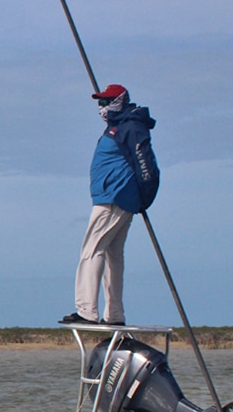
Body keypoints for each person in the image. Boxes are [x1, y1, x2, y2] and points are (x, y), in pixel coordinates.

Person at [60, 84, 160, 327]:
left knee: (91, 250)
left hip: (114, 198)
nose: (102, 107)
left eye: (106, 102)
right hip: (112, 197)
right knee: (114, 254)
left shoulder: (130, 127)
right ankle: (114, 315)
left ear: (120, 101)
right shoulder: (116, 127)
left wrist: (144, 198)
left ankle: (86, 311)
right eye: (100, 102)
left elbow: (146, 164)